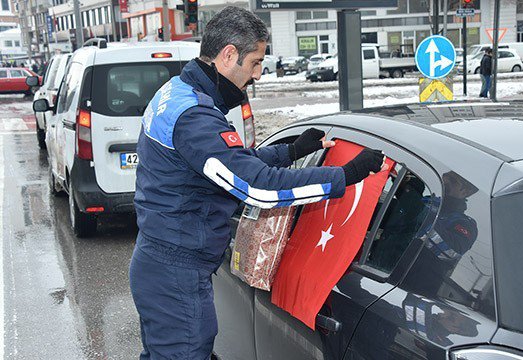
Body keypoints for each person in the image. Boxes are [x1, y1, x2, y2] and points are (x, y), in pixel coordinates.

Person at [128, 6, 386, 359]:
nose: (258, 75)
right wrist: (345, 175)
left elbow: (226, 163)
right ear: (229, 54)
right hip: (175, 270)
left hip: (165, 260)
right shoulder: (194, 117)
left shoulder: (178, 93)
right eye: (255, 63)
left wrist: (291, 150)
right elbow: (258, 187)